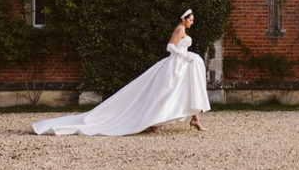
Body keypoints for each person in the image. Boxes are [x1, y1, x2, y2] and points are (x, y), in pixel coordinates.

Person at [33, 9, 211, 135]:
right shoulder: (180, 29)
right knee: (164, 94)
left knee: (185, 91)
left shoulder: (183, 30)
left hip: (183, 64)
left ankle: (194, 118)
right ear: (183, 19)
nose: (192, 22)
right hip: (176, 64)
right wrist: (184, 56)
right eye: (191, 19)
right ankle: (153, 121)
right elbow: (170, 46)